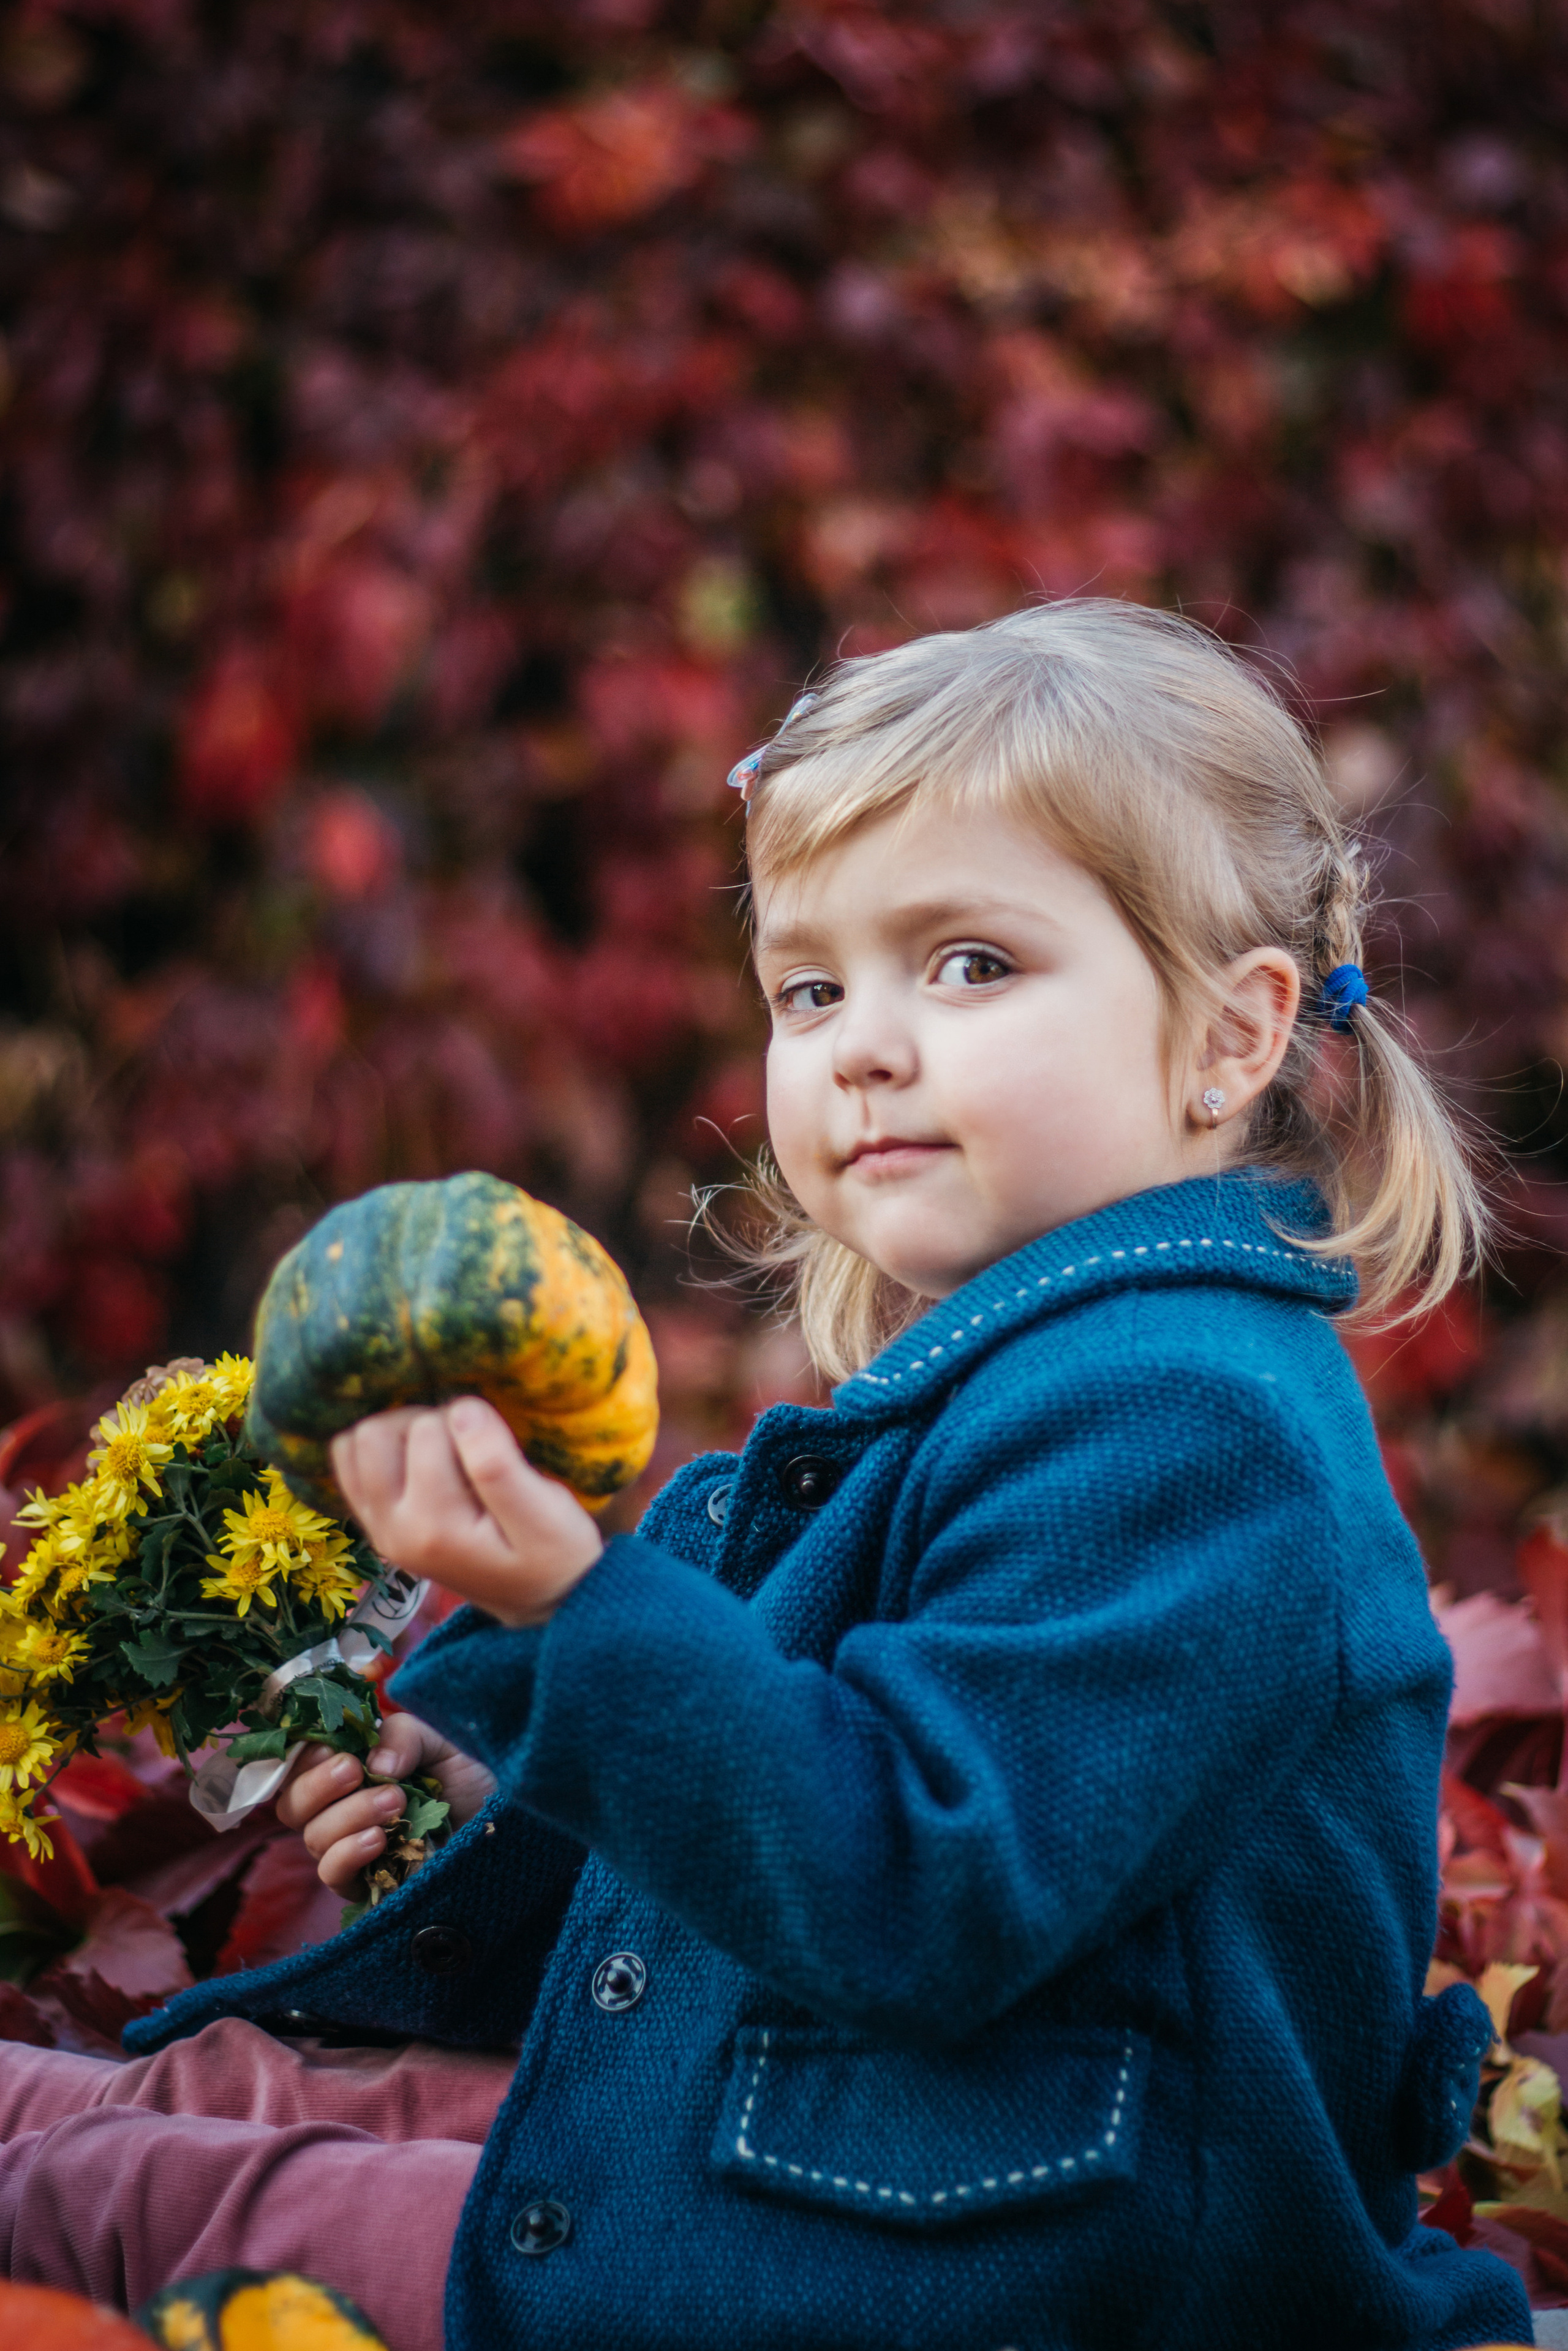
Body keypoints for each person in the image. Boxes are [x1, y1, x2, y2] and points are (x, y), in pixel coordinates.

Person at [0, 601, 1534, 2350]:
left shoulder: (1191, 1433)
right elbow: (758, 1871)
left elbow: (915, 1888)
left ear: (1231, 1038)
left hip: (985, 2281)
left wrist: (569, 1612)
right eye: (811, 986)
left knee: (118, 2198)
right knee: (190, 2095)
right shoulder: (1033, 1380)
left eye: (969, 963)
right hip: (830, 2184)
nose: (863, 1041)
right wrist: (498, 1795)